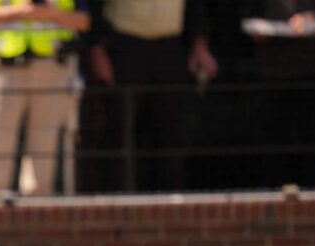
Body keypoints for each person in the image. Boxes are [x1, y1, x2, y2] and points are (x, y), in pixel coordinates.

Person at [87, 0, 218, 192]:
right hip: (124, 45)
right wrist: (96, 49)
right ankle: (120, 203)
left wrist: (200, 44)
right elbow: (94, 6)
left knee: (172, 132)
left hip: (170, 48)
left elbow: (195, 6)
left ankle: (173, 202)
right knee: (120, 130)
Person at [0, 0, 92, 198]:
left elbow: (83, 21)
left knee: (45, 143)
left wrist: (49, 13)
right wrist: (21, 11)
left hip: (52, 67)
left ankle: (37, 208)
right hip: (4, 68)